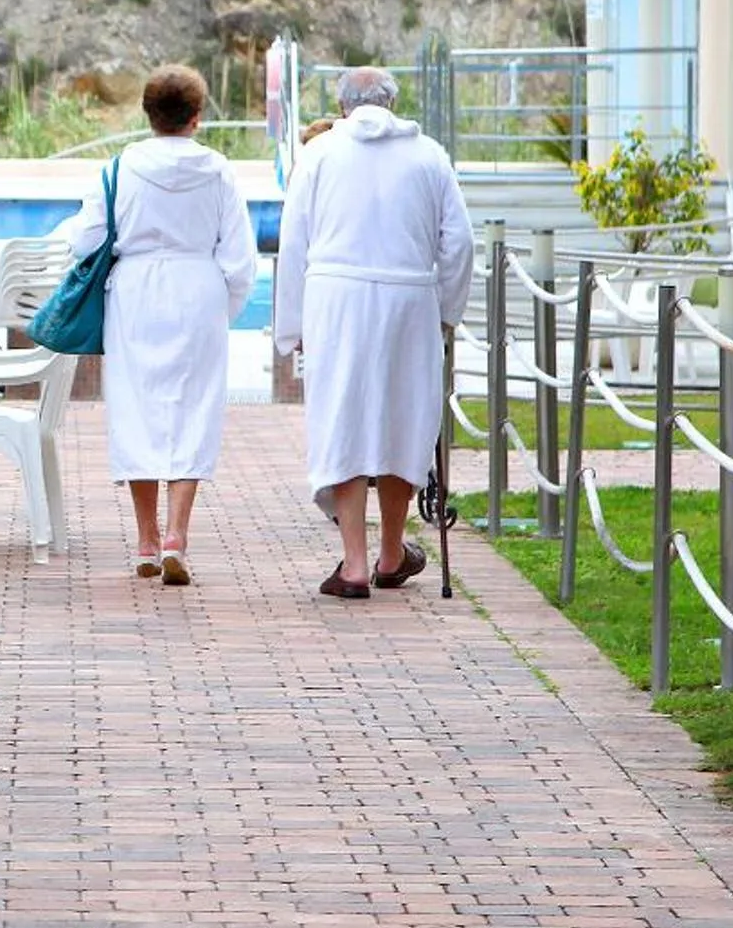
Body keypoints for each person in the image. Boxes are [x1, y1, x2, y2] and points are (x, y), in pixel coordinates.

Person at [273, 66, 475, 599]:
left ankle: (354, 562)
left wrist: (292, 325)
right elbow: (459, 243)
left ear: (342, 108)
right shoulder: (429, 155)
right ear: (393, 101)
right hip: (409, 298)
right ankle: (391, 550)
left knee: (341, 414)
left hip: (336, 300)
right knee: (403, 418)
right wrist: (446, 314)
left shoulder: (318, 155)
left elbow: (292, 241)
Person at [53, 65, 256, 587]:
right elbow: (238, 256)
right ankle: (176, 537)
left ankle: (145, 539)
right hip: (198, 289)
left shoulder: (120, 168)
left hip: (136, 293)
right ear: (197, 116)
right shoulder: (219, 170)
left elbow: (85, 240)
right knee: (194, 409)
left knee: (136, 408)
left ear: (147, 114)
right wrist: (223, 308)